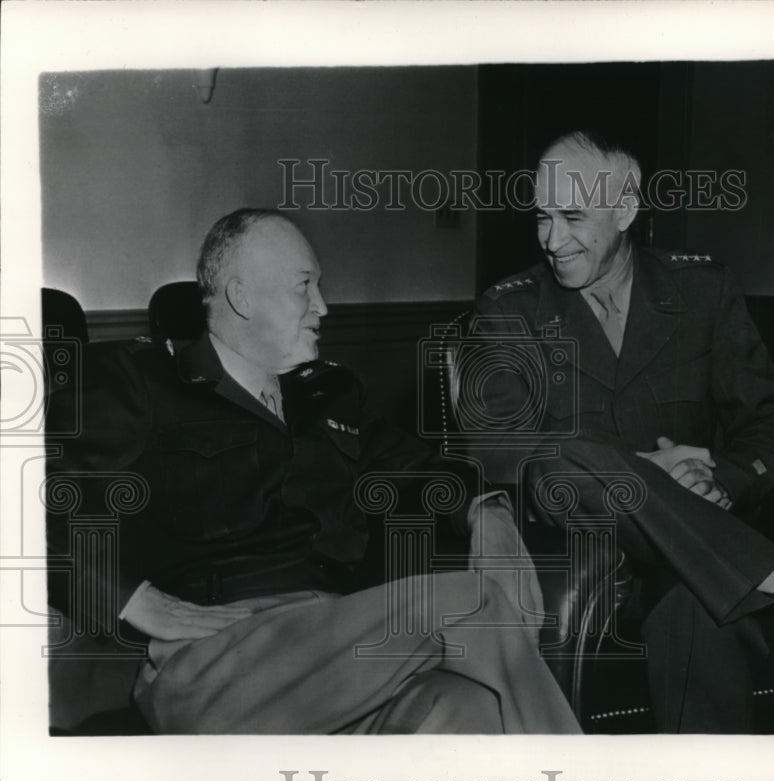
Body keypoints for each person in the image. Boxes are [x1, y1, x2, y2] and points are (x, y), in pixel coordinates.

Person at [45, 208, 580, 735]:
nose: (323, 307)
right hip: (220, 656)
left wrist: (487, 512)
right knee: (475, 601)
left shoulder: (331, 395)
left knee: (467, 708)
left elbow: (422, 469)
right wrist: (135, 599)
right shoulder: (139, 380)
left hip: (338, 647)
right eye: (305, 286)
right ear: (241, 296)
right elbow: (37, 502)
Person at [467, 130, 774, 732]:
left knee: (703, 606)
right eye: (542, 216)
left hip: (695, 562)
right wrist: (649, 471)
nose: (551, 239)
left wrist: (721, 478)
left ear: (626, 209)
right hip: (583, 556)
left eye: (573, 216)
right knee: (560, 452)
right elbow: (497, 450)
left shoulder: (701, 290)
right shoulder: (508, 309)